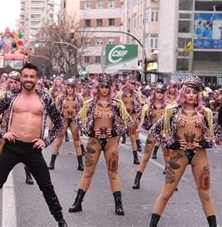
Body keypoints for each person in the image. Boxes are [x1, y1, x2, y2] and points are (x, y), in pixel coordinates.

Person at [0, 63, 67, 227]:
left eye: (32, 76)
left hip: (33, 149)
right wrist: (2, 133)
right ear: (21, 77)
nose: (28, 79)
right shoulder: (11, 96)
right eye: (26, 76)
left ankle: (60, 220)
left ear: (36, 78)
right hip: (12, 147)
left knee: (46, 186)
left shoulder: (45, 98)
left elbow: (59, 123)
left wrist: (45, 141)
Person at [148, 76, 222, 227]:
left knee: (205, 195)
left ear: (198, 95)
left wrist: (204, 142)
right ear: (183, 93)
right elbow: (155, 130)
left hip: (199, 156)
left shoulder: (205, 112)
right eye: (187, 92)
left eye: (194, 92)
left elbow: (219, 135)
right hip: (178, 156)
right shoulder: (172, 111)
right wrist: (172, 143)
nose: (191, 95)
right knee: (166, 193)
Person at [68, 74, 131, 216]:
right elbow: (78, 121)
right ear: (98, 88)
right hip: (94, 142)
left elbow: (129, 122)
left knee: (113, 173)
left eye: (106, 87)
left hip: (111, 143)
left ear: (110, 88)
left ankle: (118, 205)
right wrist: (89, 130)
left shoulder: (117, 104)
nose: (104, 89)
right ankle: (77, 203)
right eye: (101, 86)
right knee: (87, 173)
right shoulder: (89, 104)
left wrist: (115, 130)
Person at [0, 71, 34, 185]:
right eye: (11, 82)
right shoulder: (3, 94)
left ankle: (28, 175)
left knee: (25, 152)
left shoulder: (26, 95)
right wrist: (0, 126)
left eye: (16, 82)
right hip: (5, 125)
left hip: (21, 127)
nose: (13, 84)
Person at [132, 84, 167, 189]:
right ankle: (137, 180)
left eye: (162, 92)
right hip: (152, 134)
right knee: (145, 157)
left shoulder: (168, 107)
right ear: (154, 93)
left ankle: (171, 182)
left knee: (168, 158)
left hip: (164, 134)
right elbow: (140, 118)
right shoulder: (148, 106)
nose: (160, 94)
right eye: (158, 92)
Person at [48, 78, 84, 171]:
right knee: (58, 141)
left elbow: (82, 110)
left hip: (74, 121)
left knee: (77, 141)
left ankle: (80, 164)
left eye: (72, 87)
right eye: (68, 87)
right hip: (64, 120)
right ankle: (52, 163)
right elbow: (57, 109)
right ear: (66, 88)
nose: (70, 89)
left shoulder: (79, 98)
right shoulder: (61, 98)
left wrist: (80, 121)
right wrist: (58, 120)